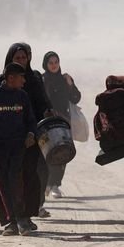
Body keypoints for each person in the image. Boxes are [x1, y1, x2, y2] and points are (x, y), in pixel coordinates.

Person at [0, 43, 53, 226]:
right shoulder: (0, 82)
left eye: (24, 58)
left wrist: (48, 112)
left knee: (29, 176)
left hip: (30, 138)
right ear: (10, 59)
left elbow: (43, 102)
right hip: (5, 139)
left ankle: (25, 216)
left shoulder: (34, 78)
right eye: (17, 58)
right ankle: (11, 219)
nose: (21, 61)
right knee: (7, 178)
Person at [0, 62, 38, 236]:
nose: (24, 81)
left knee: (16, 181)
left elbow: (31, 121)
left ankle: (21, 219)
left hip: (18, 147)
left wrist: (31, 134)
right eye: (21, 77)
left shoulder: (23, 96)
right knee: (2, 184)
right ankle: (10, 222)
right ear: (11, 78)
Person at [41, 51, 82, 198]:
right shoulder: (41, 79)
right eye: (50, 63)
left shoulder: (65, 79)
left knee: (63, 152)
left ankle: (55, 185)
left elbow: (76, 98)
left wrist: (70, 85)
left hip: (63, 122)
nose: (53, 65)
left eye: (56, 62)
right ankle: (46, 183)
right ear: (45, 64)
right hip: (46, 122)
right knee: (45, 153)